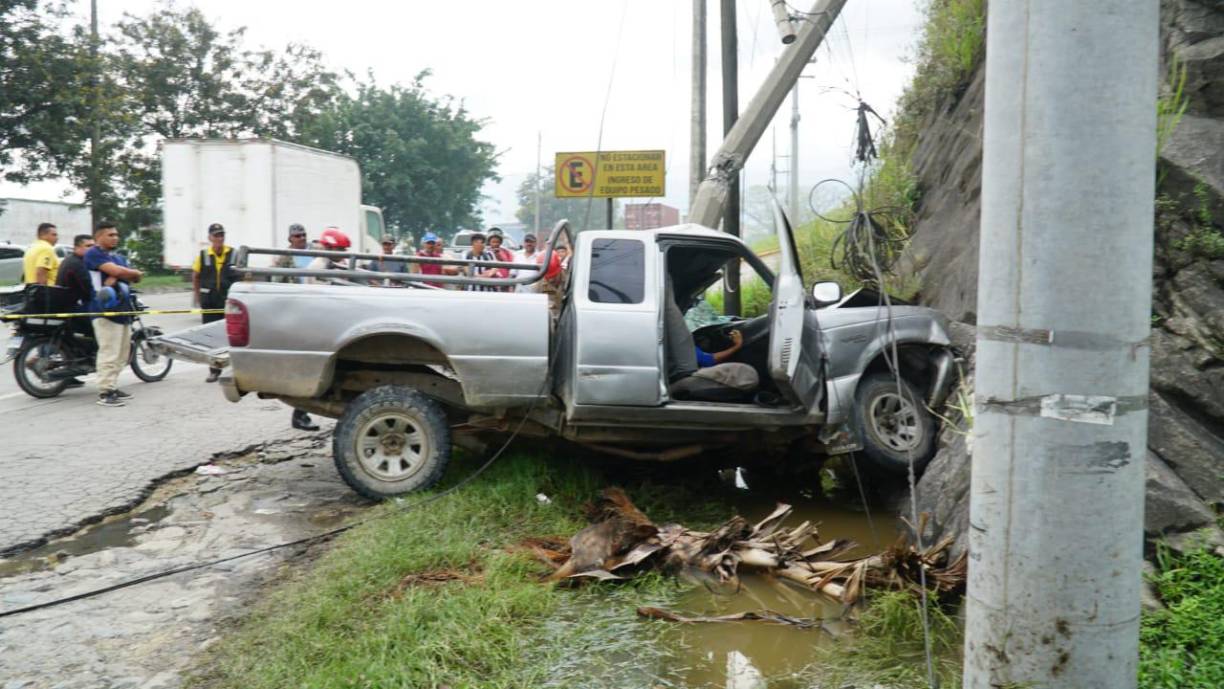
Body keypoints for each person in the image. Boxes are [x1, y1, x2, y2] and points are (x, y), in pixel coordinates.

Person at [84, 221, 143, 407]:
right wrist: (123, 273)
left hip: (123, 310)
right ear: (98, 237)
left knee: (122, 354)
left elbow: (133, 277)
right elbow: (120, 272)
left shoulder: (116, 256)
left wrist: (122, 273)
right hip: (105, 311)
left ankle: (113, 385)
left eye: (116, 235)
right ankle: (105, 391)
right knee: (109, 352)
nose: (115, 238)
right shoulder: (93, 254)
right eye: (110, 235)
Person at [192, 223, 234, 382]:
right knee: (211, 337)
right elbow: (195, 276)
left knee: (230, 335)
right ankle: (214, 370)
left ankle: (232, 368)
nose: (219, 238)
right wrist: (197, 296)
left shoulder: (232, 253)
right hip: (209, 302)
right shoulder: (203, 255)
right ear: (210, 238)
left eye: (221, 235)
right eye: (216, 235)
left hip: (227, 301)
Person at [53, 233, 95, 389]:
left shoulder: (71, 260)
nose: (92, 249)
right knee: (99, 325)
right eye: (88, 246)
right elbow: (87, 289)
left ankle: (77, 363)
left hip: (66, 305)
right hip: (71, 307)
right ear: (77, 247)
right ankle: (89, 359)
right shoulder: (77, 264)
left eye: (93, 246)